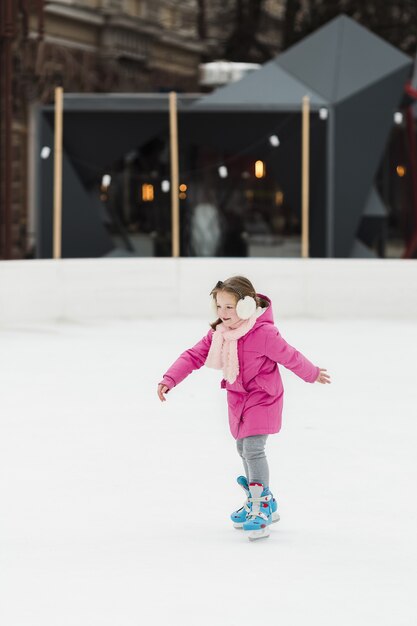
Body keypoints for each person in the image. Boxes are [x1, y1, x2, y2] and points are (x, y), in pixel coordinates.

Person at [157, 276, 331, 541]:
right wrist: (170, 378)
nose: (223, 313)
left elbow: (290, 356)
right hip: (238, 397)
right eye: (219, 306)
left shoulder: (263, 333)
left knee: (253, 448)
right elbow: (193, 355)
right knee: (242, 447)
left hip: (263, 397)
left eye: (230, 307)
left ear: (247, 306)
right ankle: (261, 499)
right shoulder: (220, 334)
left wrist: (312, 373)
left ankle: (261, 504)